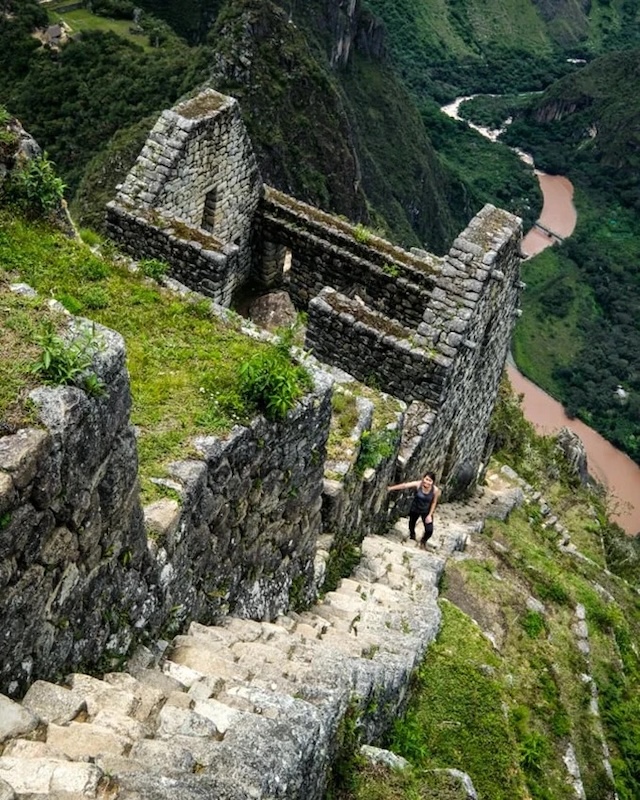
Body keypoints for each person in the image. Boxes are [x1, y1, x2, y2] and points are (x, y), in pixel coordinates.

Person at [387, 472, 441, 548]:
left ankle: (423, 541)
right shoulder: (418, 484)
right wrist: (391, 488)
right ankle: (412, 535)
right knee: (412, 524)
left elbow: (434, 502)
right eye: (426, 479)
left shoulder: (435, 490)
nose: (427, 482)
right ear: (423, 478)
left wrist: (429, 515)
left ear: (433, 482)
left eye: (430, 481)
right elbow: (404, 485)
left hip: (426, 511)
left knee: (429, 530)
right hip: (415, 508)